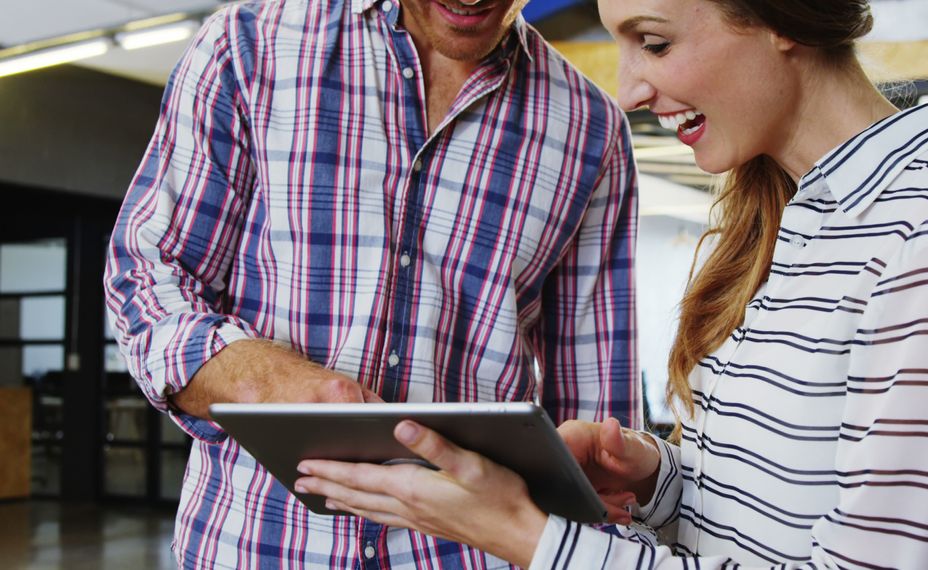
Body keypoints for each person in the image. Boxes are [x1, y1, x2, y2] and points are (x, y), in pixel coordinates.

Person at [292, 0, 928, 568]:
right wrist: (657, 477)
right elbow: (775, 520)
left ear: (779, 17)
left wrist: (525, 535)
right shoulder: (795, 218)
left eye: (653, 42)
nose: (627, 91)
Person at [103, 0, 641, 567]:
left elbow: (599, 428)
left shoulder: (592, 128)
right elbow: (146, 276)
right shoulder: (246, 44)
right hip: (253, 545)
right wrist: (259, 378)